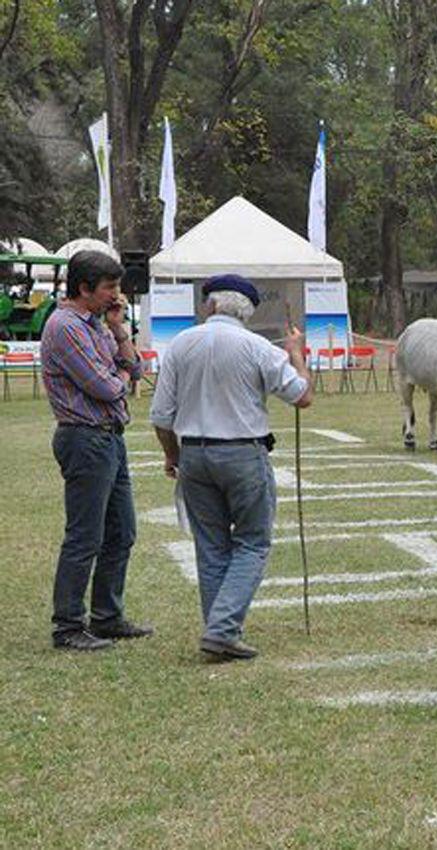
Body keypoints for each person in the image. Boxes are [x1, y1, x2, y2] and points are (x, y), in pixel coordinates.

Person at [149, 275, 313, 662]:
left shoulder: (180, 344)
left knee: (211, 547)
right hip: (242, 453)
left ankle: (220, 630)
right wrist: (297, 354)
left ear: (212, 306)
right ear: (247, 310)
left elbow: (160, 415)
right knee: (253, 543)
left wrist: (172, 455)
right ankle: (222, 630)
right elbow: (303, 396)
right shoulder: (257, 347)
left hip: (194, 454)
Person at [39, 250, 150, 651]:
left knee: (121, 532)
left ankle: (106, 617)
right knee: (85, 536)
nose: (116, 296)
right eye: (109, 288)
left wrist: (119, 331)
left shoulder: (98, 325)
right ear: (84, 288)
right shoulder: (65, 326)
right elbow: (108, 386)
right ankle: (68, 626)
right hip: (85, 438)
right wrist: (121, 373)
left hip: (109, 437)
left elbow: (134, 370)